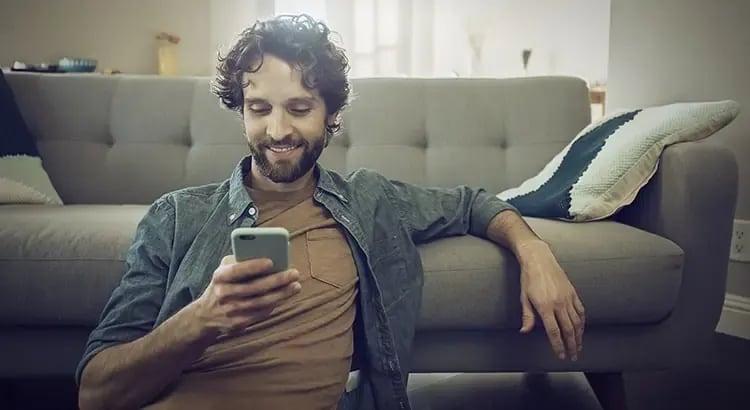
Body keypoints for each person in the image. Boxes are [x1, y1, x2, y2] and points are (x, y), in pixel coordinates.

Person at [76, 14, 585, 410]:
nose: (277, 131)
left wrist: (535, 254)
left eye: (299, 108)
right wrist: (202, 320)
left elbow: (474, 203)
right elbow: (95, 393)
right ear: (241, 109)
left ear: (332, 115)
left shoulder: (370, 201)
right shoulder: (176, 218)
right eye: (259, 109)